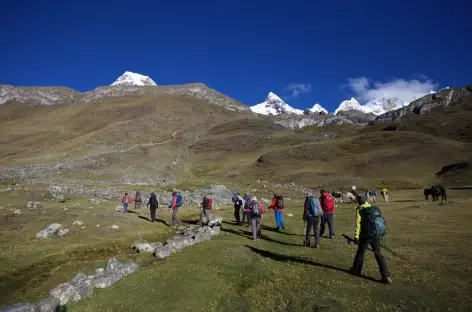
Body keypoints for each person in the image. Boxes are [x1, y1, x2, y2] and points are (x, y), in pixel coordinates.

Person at [350, 194, 392, 284]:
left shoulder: (360, 209)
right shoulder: (372, 208)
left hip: (365, 235)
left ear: (358, 201)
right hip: (375, 234)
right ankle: (386, 276)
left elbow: (358, 224)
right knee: (378, 254)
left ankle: (356, 270)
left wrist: (356, 237)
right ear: (366, 200)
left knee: (360, 253)